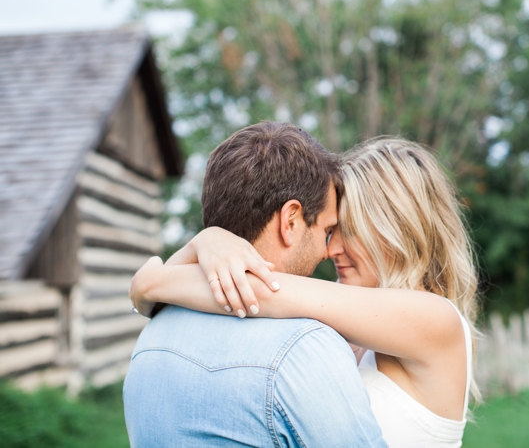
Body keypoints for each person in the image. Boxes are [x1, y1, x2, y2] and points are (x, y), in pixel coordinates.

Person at [130, 137, 481, 447]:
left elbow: (259, 291)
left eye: (350, 229)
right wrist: (207, 243)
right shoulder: (350, 316)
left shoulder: (436, 318)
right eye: (332, 230)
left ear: (398, 229)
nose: (333, 248)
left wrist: (151, 283)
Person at [123, 121, 387, 448]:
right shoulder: (304, 348)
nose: (326, 252)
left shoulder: (154, 334)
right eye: (326, 231)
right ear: (290, 221)